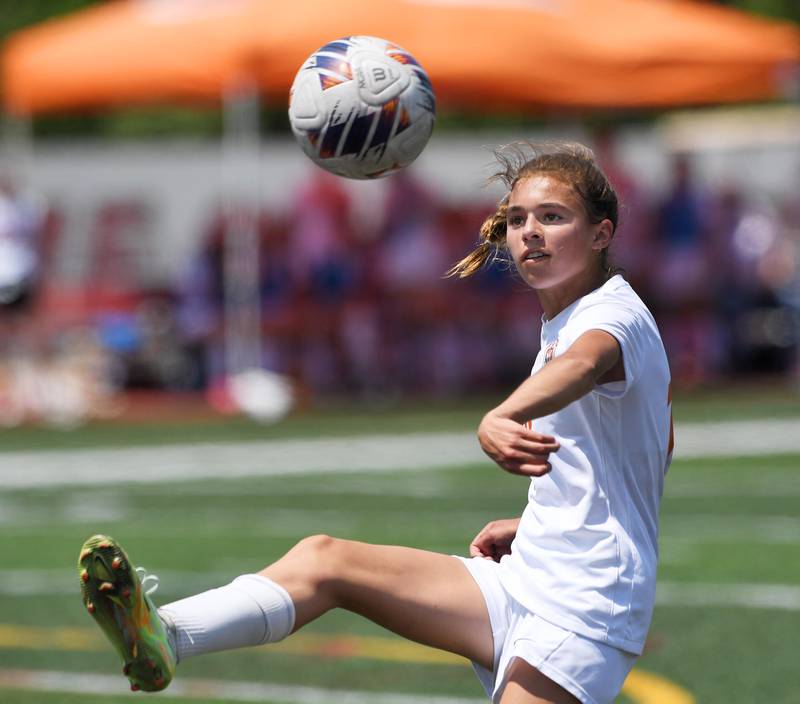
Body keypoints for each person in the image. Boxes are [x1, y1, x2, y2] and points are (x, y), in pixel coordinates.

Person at [78, 141, 673, 704]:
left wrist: (508, 412)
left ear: (602, 233)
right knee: (325, 560)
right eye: (518, 219)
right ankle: (165, 635)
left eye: (552, 217)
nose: (530, 233)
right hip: (528, 573)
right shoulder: (567, 314)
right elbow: (656, 441)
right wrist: (548, 516)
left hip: (588, 602)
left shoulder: (610, 315)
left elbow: (585, 362)